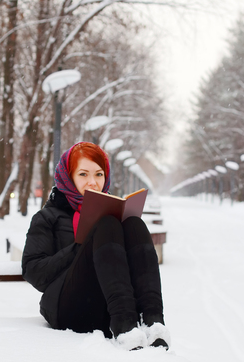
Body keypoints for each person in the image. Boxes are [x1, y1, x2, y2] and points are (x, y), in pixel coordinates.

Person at [22, 142, 170, 351]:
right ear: (68, 176)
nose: (93, 182)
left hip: (106, 308)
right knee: (106, 223)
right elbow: (33, 272)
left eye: (99, 175)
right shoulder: (47, 218)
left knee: (134, 223)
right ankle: (125, 327)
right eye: (83, 174)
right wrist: (80, 247)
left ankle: (153, 323)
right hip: (68, 309)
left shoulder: (115, 216)